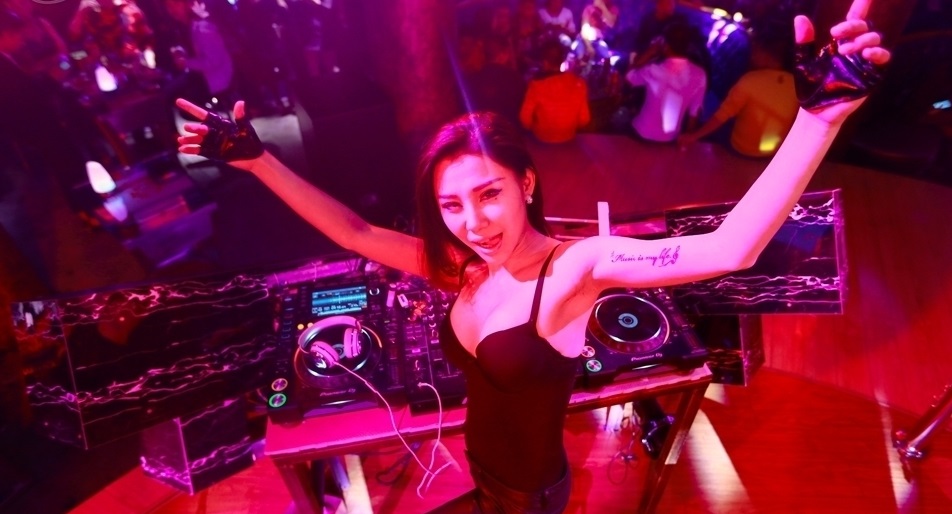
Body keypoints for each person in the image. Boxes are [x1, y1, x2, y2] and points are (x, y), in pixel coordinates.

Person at [174, 1, 888, 511]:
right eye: (452, 205)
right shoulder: (464, 267)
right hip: (483, 473)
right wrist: (257, 160)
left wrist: (816, 121)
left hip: (530, 497)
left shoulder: (573, 269)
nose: (472, 223)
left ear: (526, 184)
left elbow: (731, 247)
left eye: (489, 195)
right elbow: (357, 232)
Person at [678, 33, 799, 157]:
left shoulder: (750, 80)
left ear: (765, 54)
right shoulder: (796, 85)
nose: (752, 55)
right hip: (772, 153)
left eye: (755, 50)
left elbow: (721, 116)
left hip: (742, 150)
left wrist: (694, 136)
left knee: (715, 127)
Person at [625, 21, 707, 143]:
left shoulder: (654, 69)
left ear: (665, 45)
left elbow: (629, 78)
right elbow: (694, 111)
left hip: (642, 134)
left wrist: (649, 52)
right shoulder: (700, 74)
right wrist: (687, 139)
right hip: (671, 138)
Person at [519, 39, 590, 144]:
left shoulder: (536, 86)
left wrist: (537, 128)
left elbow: (525, 120)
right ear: (562, 60)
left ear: (545, 62)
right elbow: (584, 119)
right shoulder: (579, 83)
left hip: (542, 142)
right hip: (569, 139)